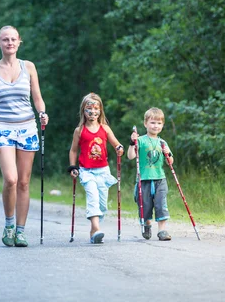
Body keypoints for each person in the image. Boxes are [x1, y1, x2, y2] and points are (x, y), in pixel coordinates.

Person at [0, 25, 49, 247]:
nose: (9, 43)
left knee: (24, 182)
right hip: (2, 128)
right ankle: (9, 224)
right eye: (5, 39)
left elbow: (37, 97)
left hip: (28, 128)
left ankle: (20, 231)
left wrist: (42, 112)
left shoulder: (28, 67)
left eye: (13, 39)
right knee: (10, 179)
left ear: (19, 42)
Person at [68, 93, 124, 244]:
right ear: (83, 111)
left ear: (100, 110)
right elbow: (73, 150)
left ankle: (93, 231)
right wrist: (73, 167)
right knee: (92, 197)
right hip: (86, 171)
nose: (93, 112)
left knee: (102, 204)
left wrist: (119, 148)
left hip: (103, 170)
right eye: (89, 109)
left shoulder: (105, 129)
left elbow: (116, 144)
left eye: (96, 108)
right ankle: (96, 228)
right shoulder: (79, 131)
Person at [127, 107, 174, 241]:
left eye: (159, 123)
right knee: (145, 205)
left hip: (160, 178)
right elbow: (131, 156)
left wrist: (167, 154)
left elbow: (171, 161)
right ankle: (147, 225)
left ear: (162, 125)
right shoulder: (140, 140)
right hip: (144, 179)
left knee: (161, 204)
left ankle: (162, 231)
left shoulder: (162, 142)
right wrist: (132, 143)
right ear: (145, 123)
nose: (156, 126)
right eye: (152, 122)